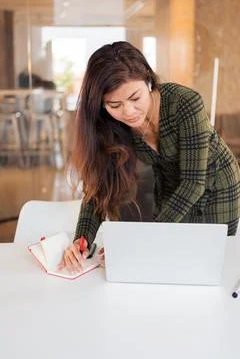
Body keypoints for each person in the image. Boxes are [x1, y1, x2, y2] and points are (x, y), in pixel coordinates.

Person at [59, 41, 240, 273]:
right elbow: (99, 189)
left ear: (148, 80)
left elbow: (194, 182)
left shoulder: (184, 103)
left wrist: (143, 241)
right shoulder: (111, 125)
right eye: (114, 104)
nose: (128, 112)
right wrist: (82, 240)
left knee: (208, 266)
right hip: (171, 189)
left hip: (216, 187)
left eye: (135, 98)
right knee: (166, 265)